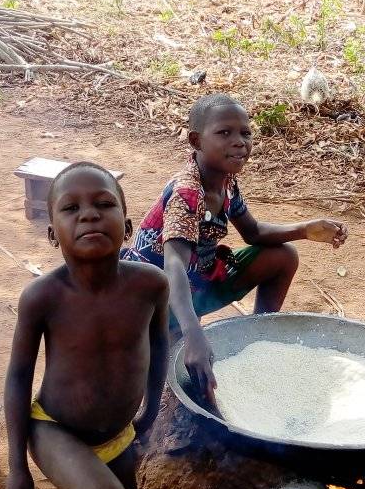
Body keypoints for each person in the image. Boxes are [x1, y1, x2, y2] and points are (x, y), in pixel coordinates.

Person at [4, 162, 169, 489]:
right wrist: (17, 465)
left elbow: (160, 347)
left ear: (128, 224)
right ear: (52, 233)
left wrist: (151, 411)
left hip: (117, 436)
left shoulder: (150, 285)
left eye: (103, 204)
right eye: (71, 208)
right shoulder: (43, 297)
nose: (89, 216)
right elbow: (17, 377)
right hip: (55, 429)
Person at [122, 93, 347, 401]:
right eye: (224, 133)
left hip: (199, 281)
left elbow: (253, 232)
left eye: (245, 133)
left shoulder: (225, 181)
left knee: (282, 256)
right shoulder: (188, 193)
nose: (239, 142)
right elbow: (173, 266)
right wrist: (193, 333)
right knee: (181, 374)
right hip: (157, 299)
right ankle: (171, 341)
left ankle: (256, 340)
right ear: (196, 141)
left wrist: (304, 230)